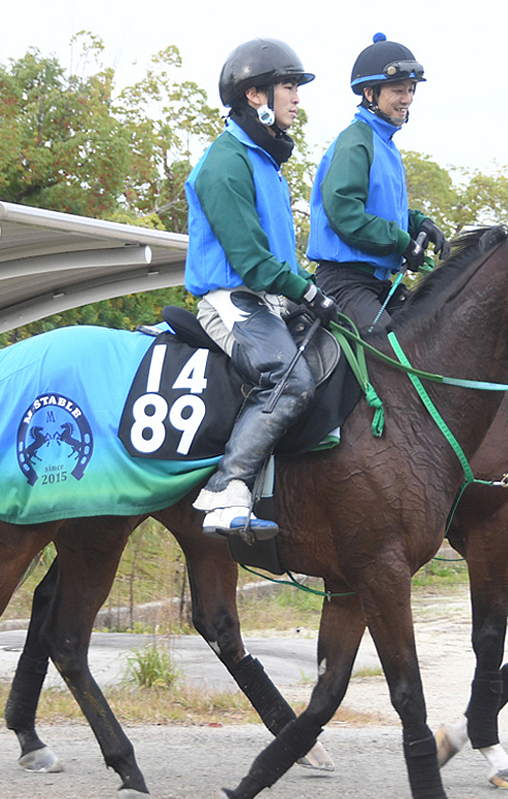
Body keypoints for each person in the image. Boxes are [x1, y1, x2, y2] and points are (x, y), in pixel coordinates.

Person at [185, 38, 337, 539]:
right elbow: (251, 262)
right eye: (289, 87)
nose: (297, 98)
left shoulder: (266, 163)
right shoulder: (225, 162)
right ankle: (226, 491)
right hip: (230, 298)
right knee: (287, 378)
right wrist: (309, 292)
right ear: (256, 96)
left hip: (269, 298)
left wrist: (304, 290)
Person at [307, 33, 450, 333]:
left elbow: (383, 213)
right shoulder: (355, 143)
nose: (407, 99)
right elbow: (345, 213)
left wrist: (418, 224)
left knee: (436, 334)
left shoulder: (386, 145)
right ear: (370, 94)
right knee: (393, 356)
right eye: (398, 90)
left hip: (379, 283)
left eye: (411, 90)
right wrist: (402, 242)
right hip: (345, 284)